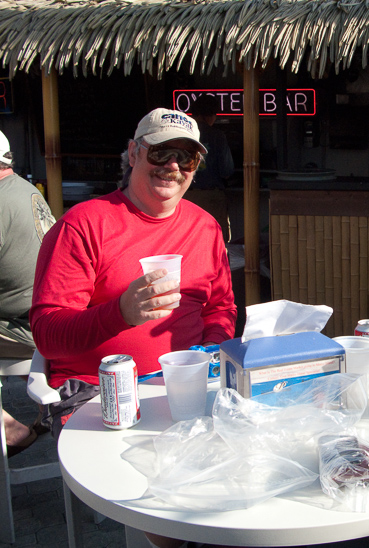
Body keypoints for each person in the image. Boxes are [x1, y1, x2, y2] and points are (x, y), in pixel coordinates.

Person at [30, 108, 237, 440]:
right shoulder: (83, 225)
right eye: (161, 152)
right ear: (133, 153)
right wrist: (121, 313)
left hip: (187, 388)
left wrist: (212, 348)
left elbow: (220, 309)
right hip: (95, 391)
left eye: (186, 158)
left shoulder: (206, 228)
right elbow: (47, 336)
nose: (173, 166)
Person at [0, 129, 56, 457]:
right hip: (47, 320)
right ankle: (48, 407)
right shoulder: (23, 188)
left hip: (29, 330)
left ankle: (12, 431)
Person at [185, 94, 235, 241]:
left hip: (184, 196)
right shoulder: (217, 135)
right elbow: (226, 170)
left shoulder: (182, 135)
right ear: (211, 115)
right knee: (216, 241)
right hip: (211, 197)